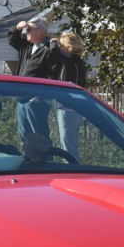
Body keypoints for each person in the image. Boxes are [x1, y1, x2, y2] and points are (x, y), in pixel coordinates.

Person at [7, 16, 54, 145]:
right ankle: (28, 161)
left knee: (39, 135)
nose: (26, 32)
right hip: (22, 98)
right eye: (26, 29)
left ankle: (46, 162)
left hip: (36, 100)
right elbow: (12, 39)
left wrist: (39, 96)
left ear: (40, 31)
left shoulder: (49, 48)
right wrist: (17, 28)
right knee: (25, 137)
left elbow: (52, 75)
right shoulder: (27, 46)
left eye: (29, 29)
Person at [49, 32, 88, 162]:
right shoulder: (78, 62)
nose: (59, 46)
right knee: (69, 143)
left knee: (68, 145)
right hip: (75, 108)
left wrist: (53, 40)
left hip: (68, 108)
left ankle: (72, 169)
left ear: (67, 46)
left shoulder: (71, 61)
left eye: (62, 44)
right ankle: (71, 167)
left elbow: (53, 50)